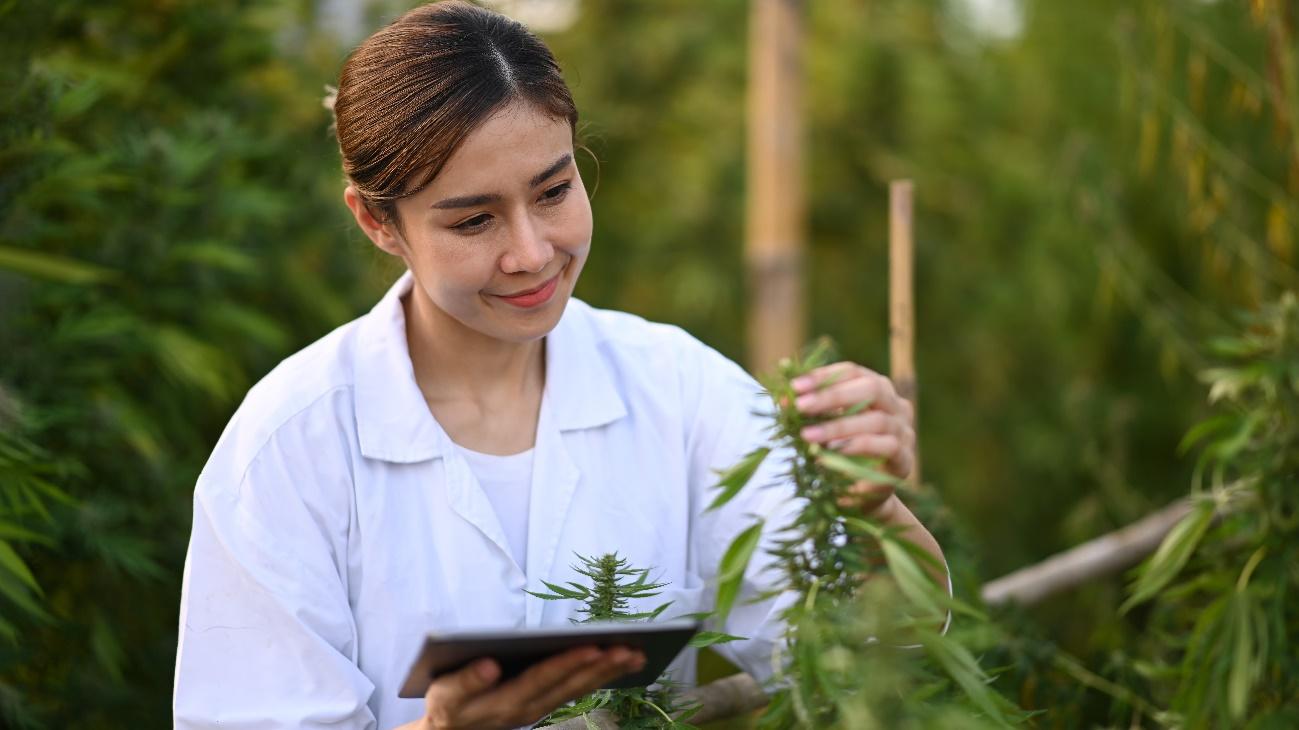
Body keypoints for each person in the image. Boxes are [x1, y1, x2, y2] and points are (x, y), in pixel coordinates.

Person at [172, 2, 945, 728]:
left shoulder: (680, 390)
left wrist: (871, 513)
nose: (533, 252)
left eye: (553, 191)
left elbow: (865, 651)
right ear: (377, 221)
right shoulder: (290, 447)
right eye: (474, 219)